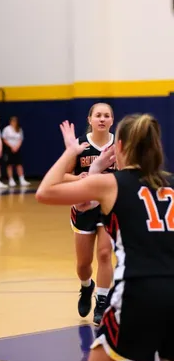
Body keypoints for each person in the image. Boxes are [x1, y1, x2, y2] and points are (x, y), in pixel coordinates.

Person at [36, 113, 174, 361]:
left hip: (139, 296)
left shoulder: (111, 183)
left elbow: (45, 192)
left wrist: (73, 153)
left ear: (119, 146)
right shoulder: (171, 186)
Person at [60, 103, 115, 326]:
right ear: (90, 119)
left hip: (108, 208)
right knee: (83, 264)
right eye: (98, 115)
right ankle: (86, 286)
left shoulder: (118, 146)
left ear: (112, 120)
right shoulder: (80, 145)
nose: (102, 119)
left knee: (104, 254)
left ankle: (101, 302)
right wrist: (79, 179)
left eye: (107, 116)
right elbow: (62, 175)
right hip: (83, 208)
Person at [2, 116, 30, 188]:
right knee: (10, 164)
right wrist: (11, 146)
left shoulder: (19, 129)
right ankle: (11, 180)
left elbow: (20, 139)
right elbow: (4, 139)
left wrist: (17, 146)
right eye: (12, 121)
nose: (14, 123)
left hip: (17, 149)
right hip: (9, 149)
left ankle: (21, 179)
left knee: (19, 164)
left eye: (15, 121)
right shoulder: (7, 129)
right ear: (10, 122)